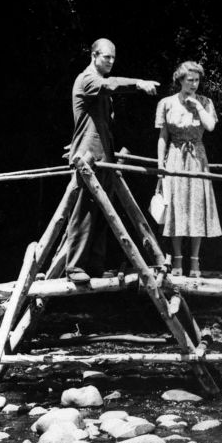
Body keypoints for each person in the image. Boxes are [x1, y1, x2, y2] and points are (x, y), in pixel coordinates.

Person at [52, 38, 159, 283]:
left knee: (103, 210)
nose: (110, 61)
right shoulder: (87, 79)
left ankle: (95, 264)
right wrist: (138, 84)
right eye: (106, 57)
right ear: (93, 56)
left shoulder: (98, 83)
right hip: (88, 157)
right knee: (84, 210)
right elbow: (111, 86)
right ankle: (75, 266)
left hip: (104, 156)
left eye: (113, 57)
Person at [155, 61, 221, 277]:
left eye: (197, 80)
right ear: (180, 80)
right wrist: (160, 164)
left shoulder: (205, 101)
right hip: (174, 157)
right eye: (189, 80)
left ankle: (195, 262)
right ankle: (177, 260)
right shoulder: (166, 103)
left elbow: (210, 127)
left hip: (197, 159)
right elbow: (163, 136)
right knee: (176, 207)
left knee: (196, 207)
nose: (194, 84)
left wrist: (198, 106)